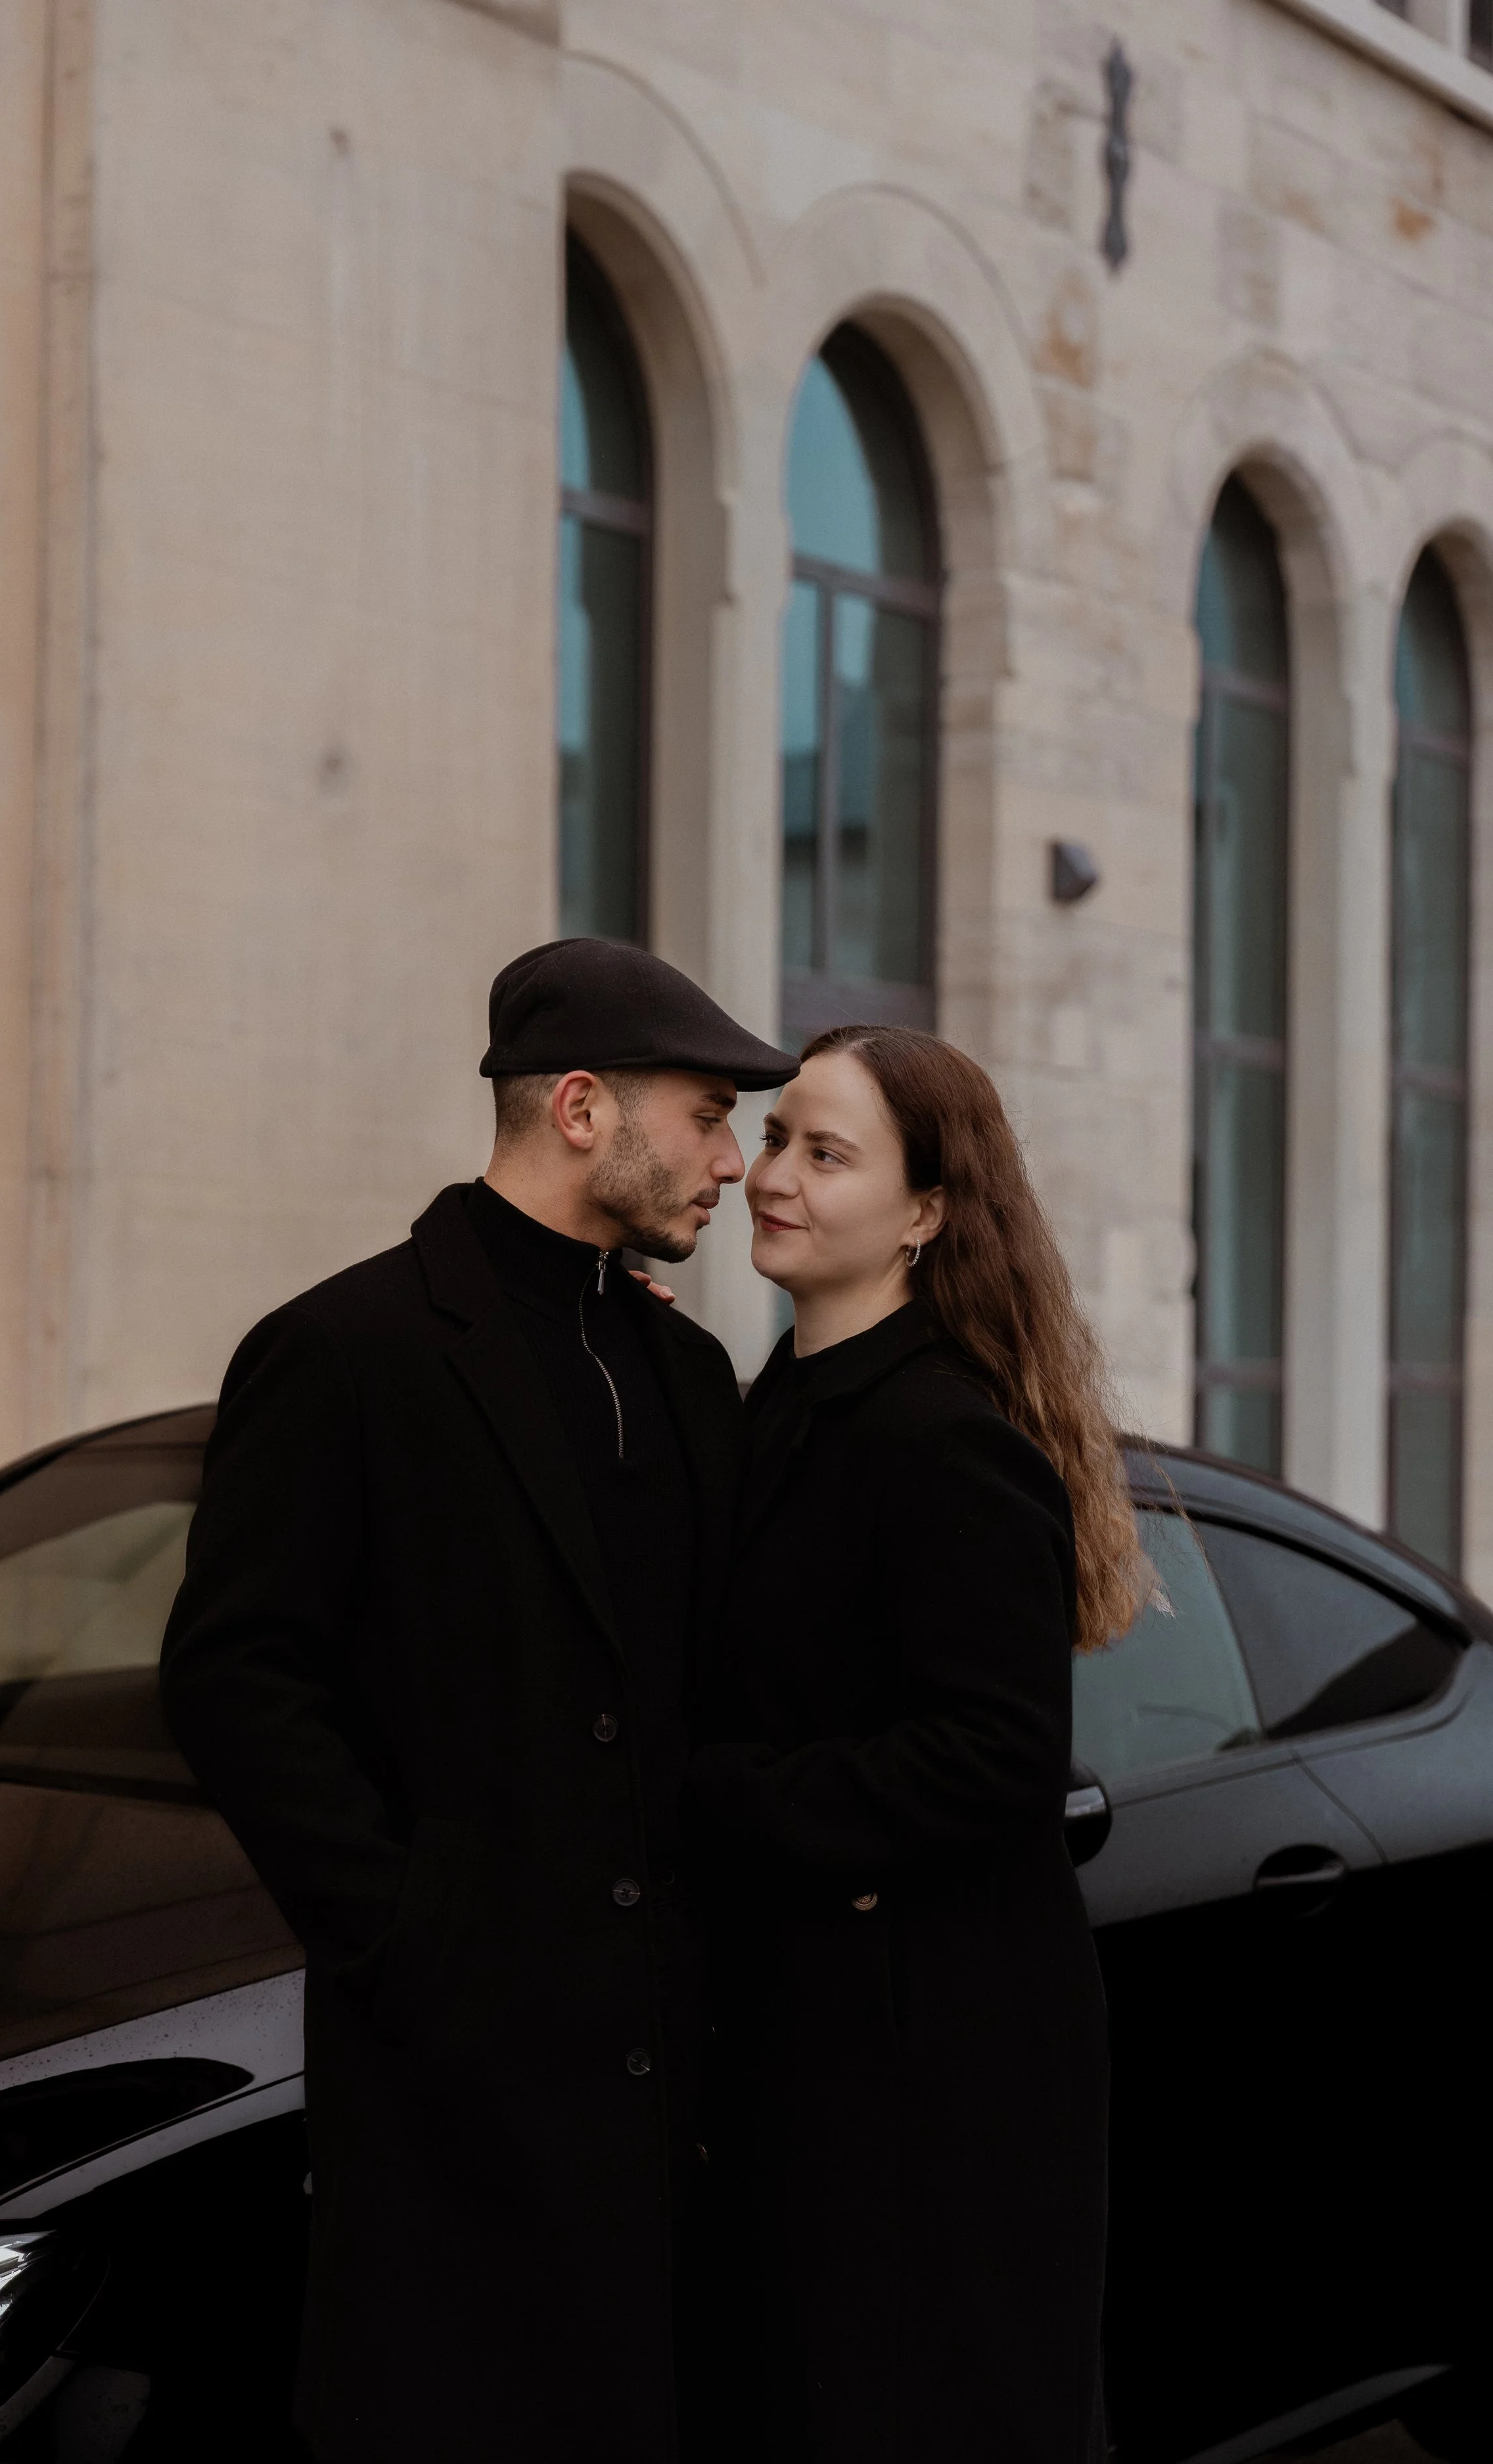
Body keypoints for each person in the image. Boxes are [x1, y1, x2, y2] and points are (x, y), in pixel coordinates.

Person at [159, 938, 798, 2464]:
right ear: (581, 1107)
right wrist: (404, 1927)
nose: (731, 1160)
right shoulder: (344, 1351)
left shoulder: (693, 1370)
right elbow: (235, 1677)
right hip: (454, 2094)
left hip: (673, 2101)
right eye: (706, 1114)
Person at [687, 1023, 1149, 2464]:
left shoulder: (941, 1433)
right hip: (831, 2026)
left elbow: (997, 1752)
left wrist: (718, 1801)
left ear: (928, 1212)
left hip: (934, 2061)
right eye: (775, 1140)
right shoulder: (782, 1403)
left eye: (827, 1155)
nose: (774, 1176)